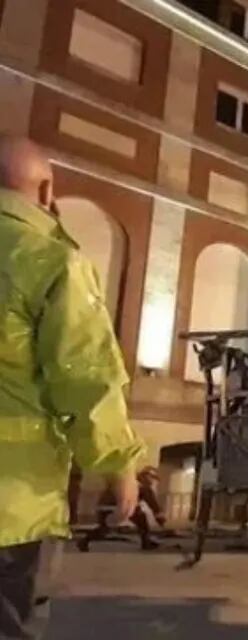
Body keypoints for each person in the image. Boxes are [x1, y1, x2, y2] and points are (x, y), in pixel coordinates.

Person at [0, 136, 144, 638]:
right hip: (16, 504)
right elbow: (85, 376)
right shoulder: (50, 261)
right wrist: (117, 464)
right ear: (45, 190)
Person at [77, 467, 166, 552]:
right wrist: (161, 519)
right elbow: (153, 505)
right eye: (151, 479)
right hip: (112, 506)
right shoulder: (140, 486)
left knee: (139, 518)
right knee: (107, 529)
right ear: (144, 477)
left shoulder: (128, 482)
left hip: (107, 506)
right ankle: (146, 542)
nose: (152, 482)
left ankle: (85, 541)